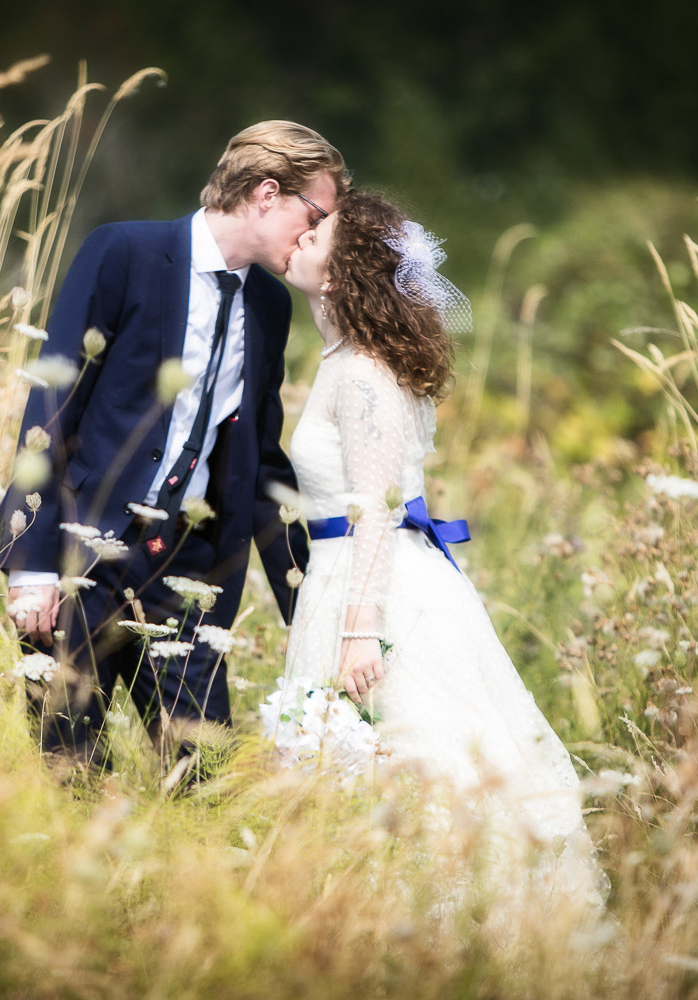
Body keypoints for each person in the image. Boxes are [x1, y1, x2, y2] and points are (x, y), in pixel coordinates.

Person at [265, 189, 607, 908]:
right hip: (350, 581)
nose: (301, 233)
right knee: (360, 773)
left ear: (338, 274)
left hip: (377, 598)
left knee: (417, 771)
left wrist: (360, 630)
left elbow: (379, 510)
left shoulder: (362, 371)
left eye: (318, 231)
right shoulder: (344, 359)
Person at [0, 121, 347, 776]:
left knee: (200, 775)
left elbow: (260, 459)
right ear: (267, 194)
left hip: (189, 571)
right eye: (314, 214)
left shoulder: (268, 303)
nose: (318, 236)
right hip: (79, 556)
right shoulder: (124, 252)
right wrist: (30, 563)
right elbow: (53, 407)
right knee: (72, 772)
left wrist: (313, 598)